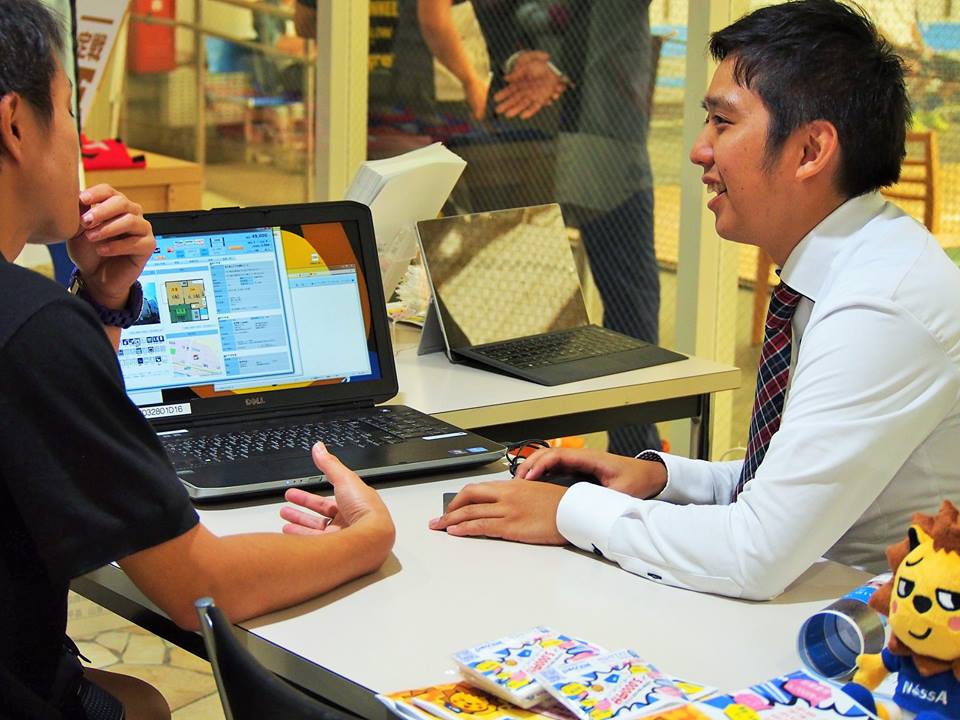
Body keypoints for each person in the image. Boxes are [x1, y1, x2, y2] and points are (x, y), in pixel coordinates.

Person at [430, 0, 960, 601]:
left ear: (811, 151)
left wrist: (567, 512)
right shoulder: (848, 266)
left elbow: (754, 551)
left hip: (870, 627)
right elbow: (788, 484)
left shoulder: (878, 309)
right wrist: (660, 478)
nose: (699, 150)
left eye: (722, 123)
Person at [0, 2, 395, 717]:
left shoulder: (40, 330)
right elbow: (201, 586)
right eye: (69, 115)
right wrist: (370, 536)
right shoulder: (33, 329)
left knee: (140, 698)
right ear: (15, 125)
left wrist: (105, 301)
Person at [481, 0, 662, 456]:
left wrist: (560, 66)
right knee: (515, 289)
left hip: (604, 114)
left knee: (628, 296)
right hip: (522, 112)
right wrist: (514, 57)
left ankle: (634, 457)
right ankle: (520, 451)